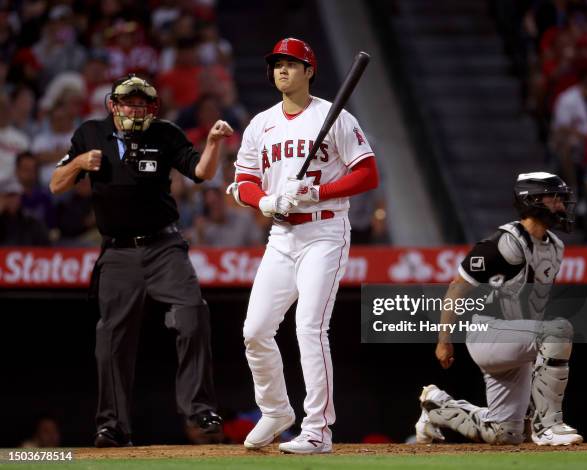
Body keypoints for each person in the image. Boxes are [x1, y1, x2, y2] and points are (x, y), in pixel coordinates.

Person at [49, 74, 233, 447]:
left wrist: (213, 143)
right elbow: (56, 183)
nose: (134, 108)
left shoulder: (165, 133)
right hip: (117, 252)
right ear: (113, 105)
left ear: (150, 107)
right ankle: (112, 426)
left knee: (192, 313)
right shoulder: (89, 133)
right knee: (111, 338)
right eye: (127, 102)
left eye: (141, 103)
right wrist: (80, 162)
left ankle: (199, 408)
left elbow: (202, 172)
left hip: (164, 246)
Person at [227, 38, 379, 454]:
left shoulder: (333, 115)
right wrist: (266, 200)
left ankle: (318, 430)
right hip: (281, 234)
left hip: (325, 231)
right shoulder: (261, 123)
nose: (282, 70)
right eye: (277, 64)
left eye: (292, 64)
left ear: (309, 71)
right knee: (255, 331)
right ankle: (276, 410)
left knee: (309, 327)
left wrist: (319, 190)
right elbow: (241, 183)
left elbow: (367, 174)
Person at [416, 172, 583, 446]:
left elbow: (533, 304)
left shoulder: (555, 246)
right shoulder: (504, 244)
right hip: (487, 334)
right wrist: (444, 341)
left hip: (515, 338)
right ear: (533, 200)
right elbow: (457, 287)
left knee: (504, 433)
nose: (562, 206)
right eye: (556, 199)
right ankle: (548, 426)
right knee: (559, 330)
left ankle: (436, 407)